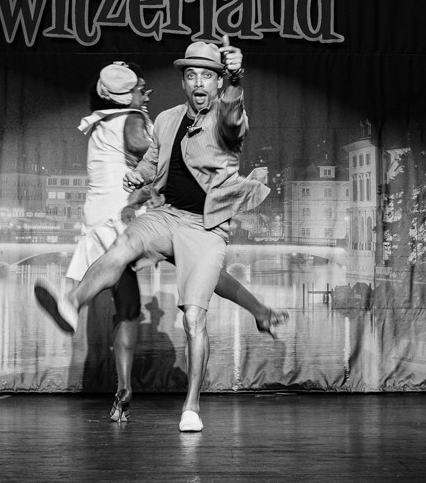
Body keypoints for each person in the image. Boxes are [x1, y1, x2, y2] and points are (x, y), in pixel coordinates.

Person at [36, 39, 278, 432]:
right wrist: (139, 176)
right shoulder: (165, 119)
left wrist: (236, 77)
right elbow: (151, 160)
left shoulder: (226, 118)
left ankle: (191, 407)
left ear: (217, 83)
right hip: (166, 216)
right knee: (124, 244)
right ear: (183, 81)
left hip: (205, 227)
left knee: (193, 317)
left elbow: (234, 110)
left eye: (207, 76)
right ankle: (71, 303)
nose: (198, 82)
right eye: (191, 75)